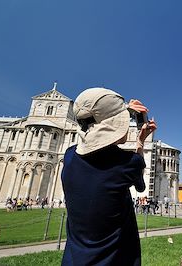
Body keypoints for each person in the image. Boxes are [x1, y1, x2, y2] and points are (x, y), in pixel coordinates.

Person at [61, 88, 156, 266]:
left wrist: (122, 110)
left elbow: (93, 129)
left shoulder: (69, 156)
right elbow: (141, 186)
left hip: (74, 260)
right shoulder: (127, 163)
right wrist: (140, 142)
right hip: (114, 260)